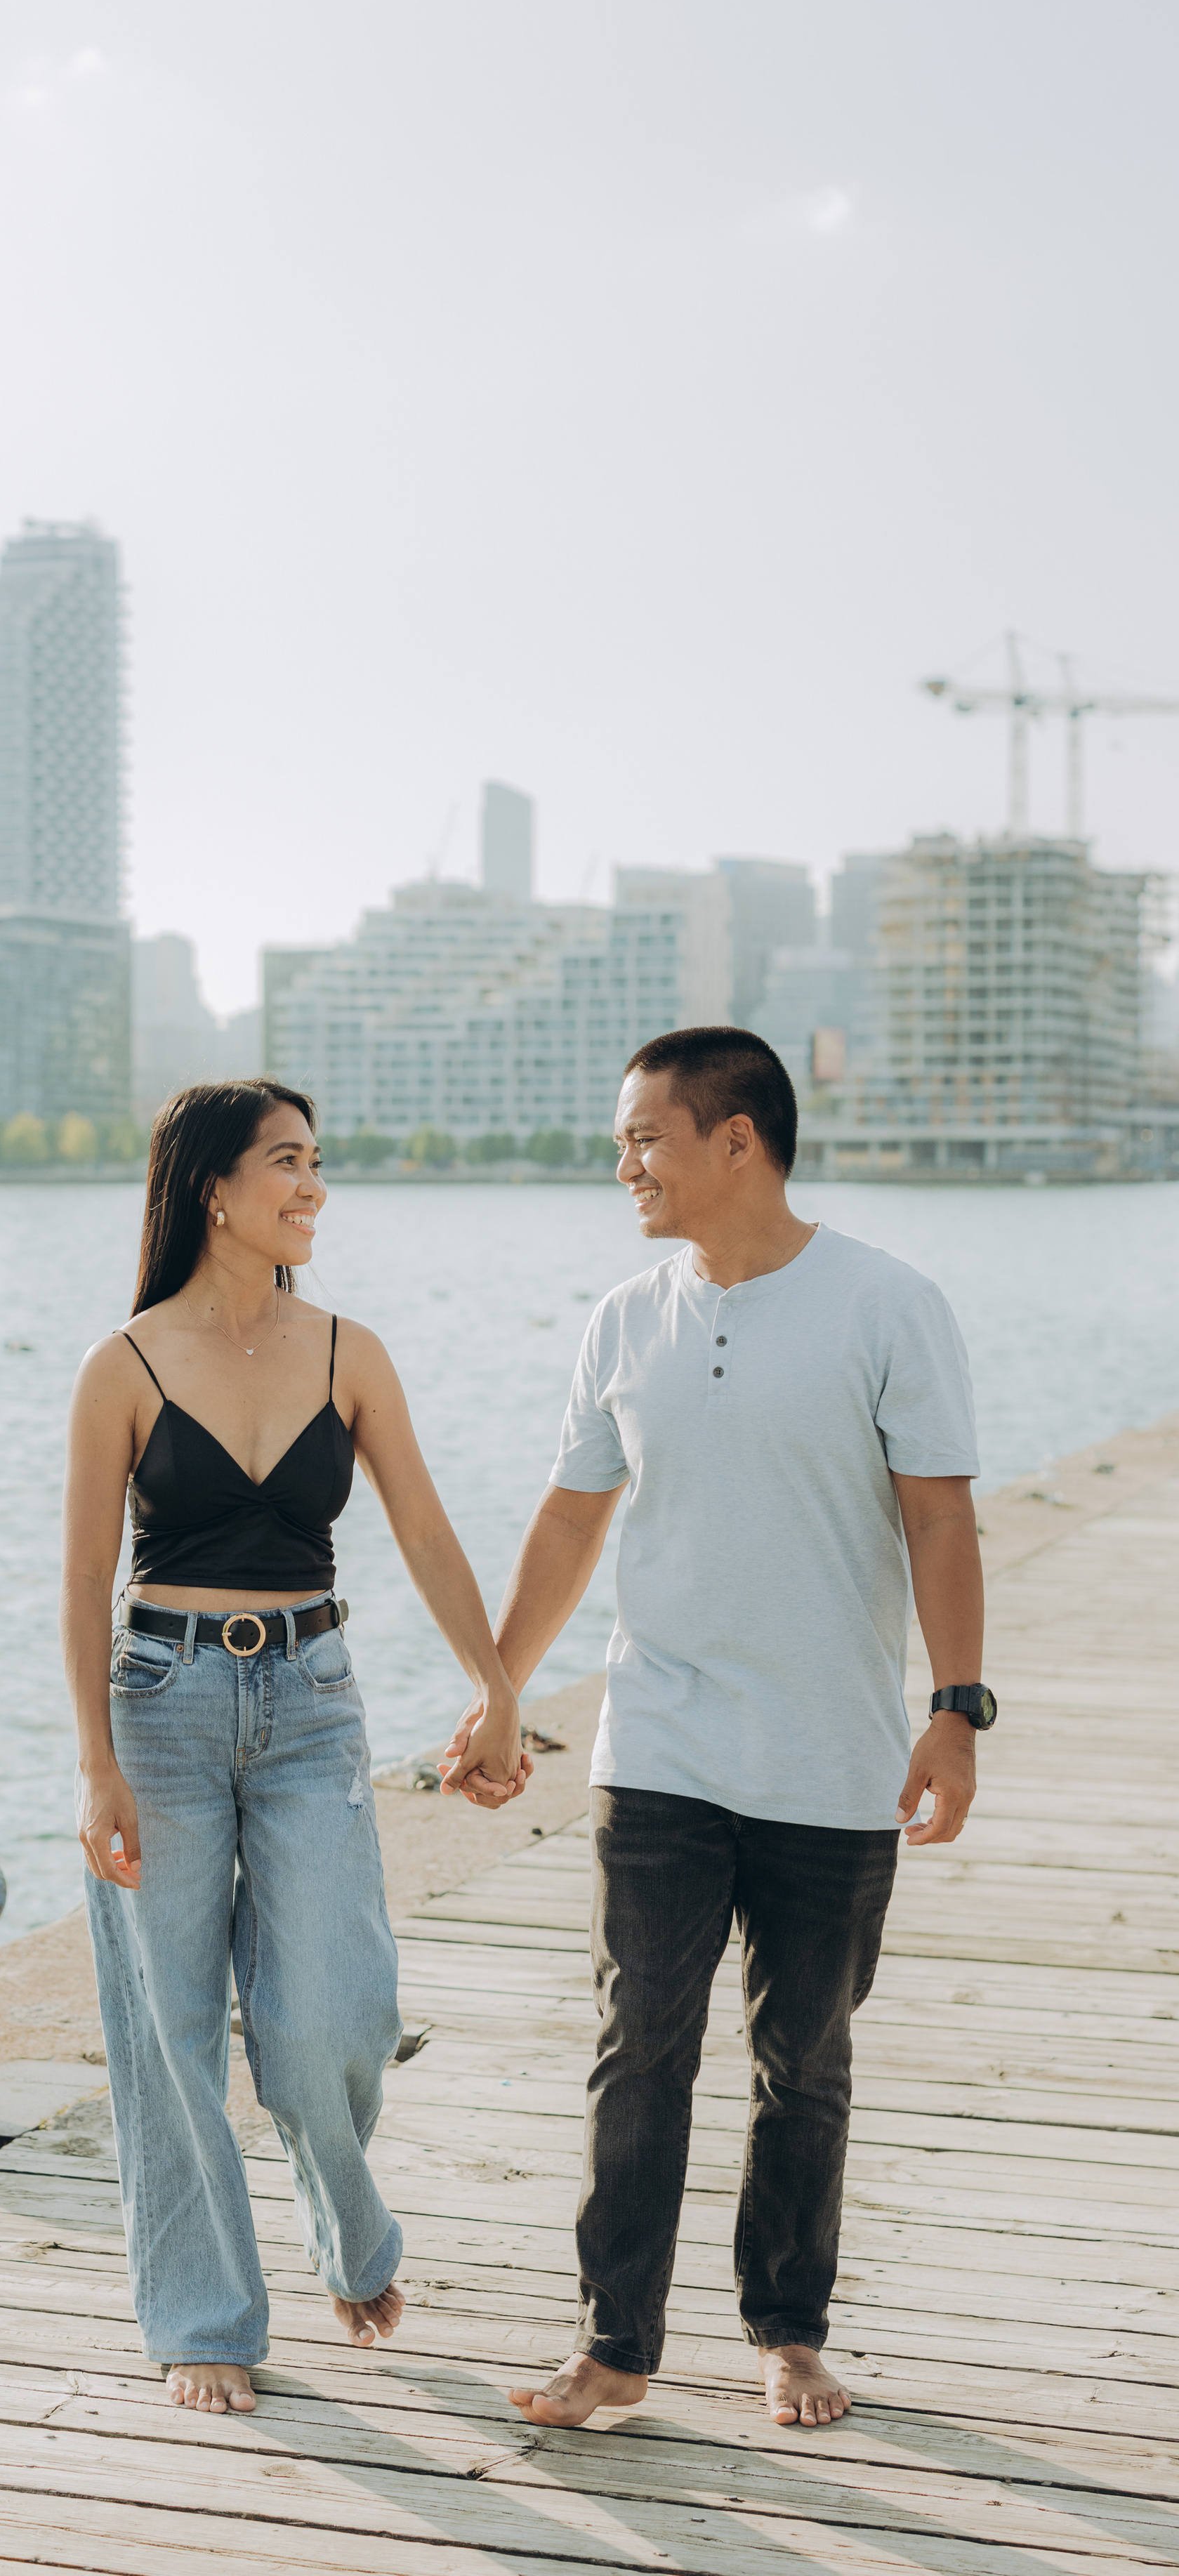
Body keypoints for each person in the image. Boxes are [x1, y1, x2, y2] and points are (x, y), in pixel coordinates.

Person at [440, 1025, 990, 2431]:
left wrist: (953, 1711)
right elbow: (572, 1517)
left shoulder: (886, 1302)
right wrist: (501, 1690)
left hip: (828, 1750)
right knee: (639, 2046)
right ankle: (612, 2345)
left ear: (733, 1137)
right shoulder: (625, 1317)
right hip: (660, 1746)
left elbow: (936, 1515)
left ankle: (785, 2330)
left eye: (641, 1137)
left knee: (800, 2060)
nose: (618, 1162)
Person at [62, 1078, 527, 2420]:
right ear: (216, 1186)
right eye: (289, 1163)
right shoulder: (126, 1364)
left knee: (336, 2006)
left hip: (313, 1698)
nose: (315, 1186)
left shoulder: (350, 1352)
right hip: (161, 1701)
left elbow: (428, 1534)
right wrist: (94, 1763)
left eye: (319, 1162)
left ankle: (342, 2209)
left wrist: (493, 1686)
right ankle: (205, 2311)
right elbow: (83, 1577)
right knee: (172, 2029)